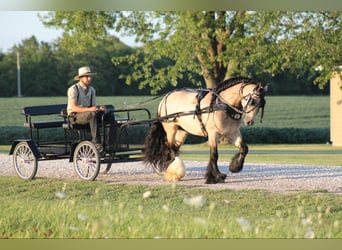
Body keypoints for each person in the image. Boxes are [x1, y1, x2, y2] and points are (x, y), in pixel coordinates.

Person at [67, 66, 116, 153]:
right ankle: (97, 142)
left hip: (88, 115)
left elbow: (93, 107)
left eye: (90, 76)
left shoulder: (92, 90)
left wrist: (99, 109)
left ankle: (110, 143)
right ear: (80, 78)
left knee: (108, 115)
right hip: (75, 116)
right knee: (91, 114)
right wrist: (90, 109)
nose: (89, 78)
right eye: (86, 76)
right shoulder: (73, 89)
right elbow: (74, 107)